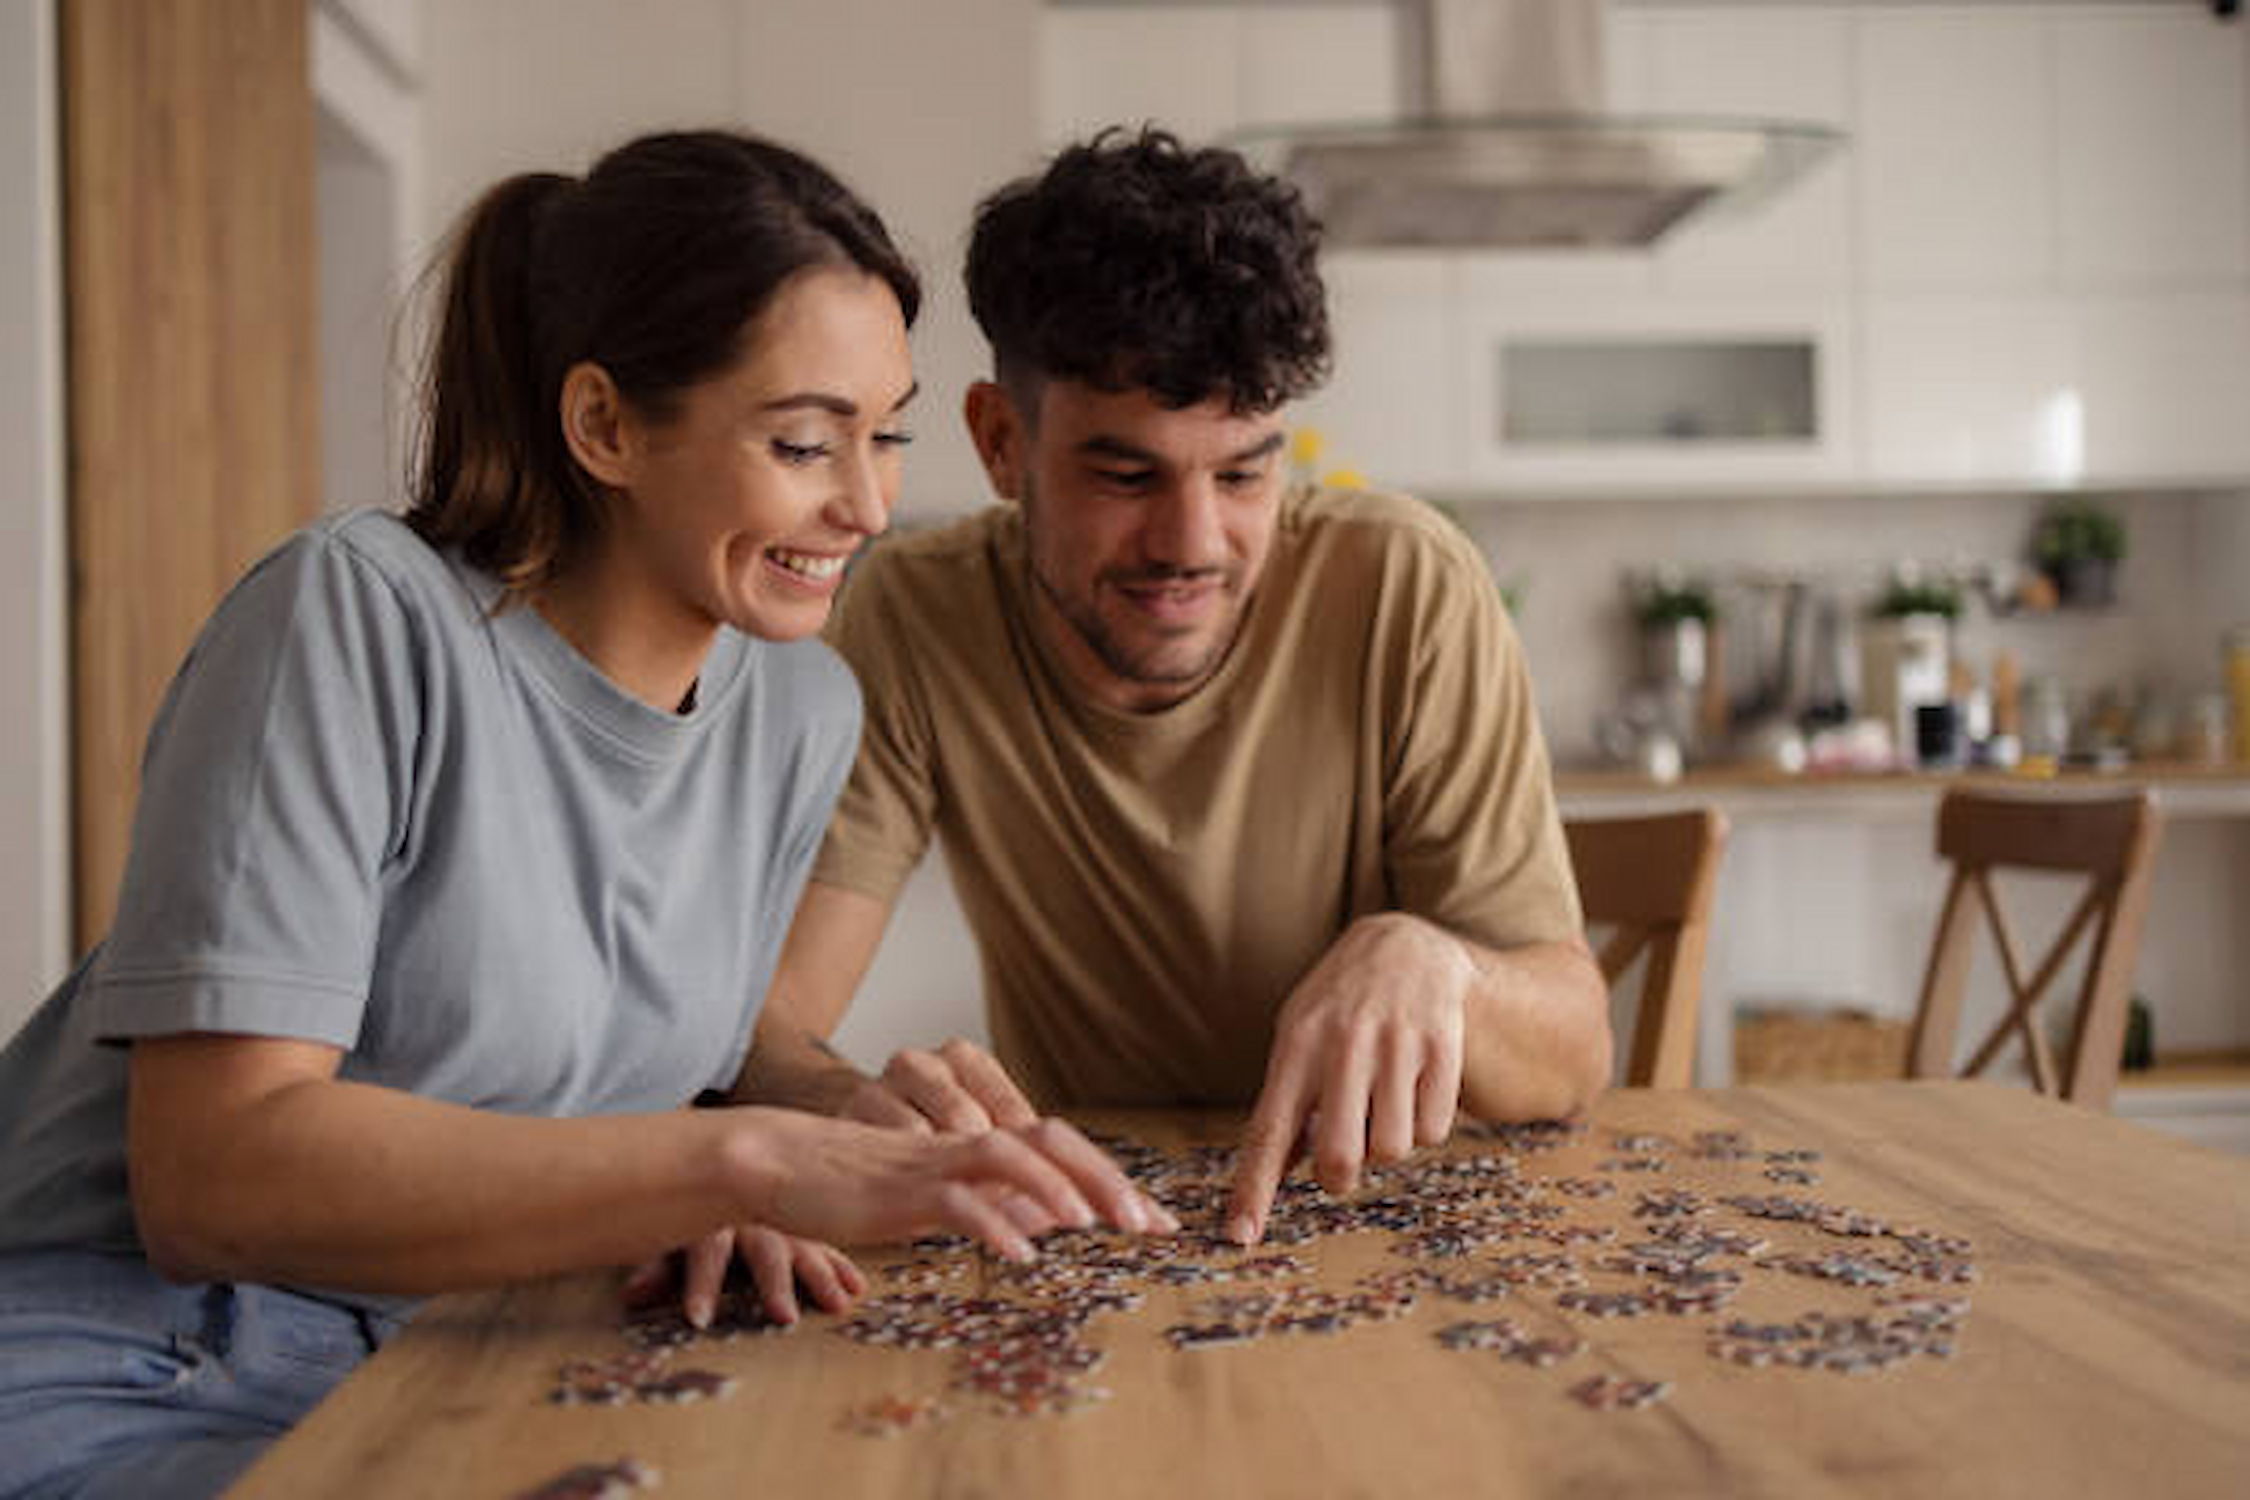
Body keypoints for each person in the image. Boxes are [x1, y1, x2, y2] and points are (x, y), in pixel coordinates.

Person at [0, 129, 1169, 1500]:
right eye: (803, 441)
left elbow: (656, 1043)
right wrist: (737, 1162)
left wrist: (841, 1110)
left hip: (474, 1349)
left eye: (887, 434)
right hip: (136, 1354)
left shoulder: (798, 716)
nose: (864, 503)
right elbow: (213, 1178)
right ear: (605, 423)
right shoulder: (358, 615)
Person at [738, 128, 1612, 1250]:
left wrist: (1443, 966)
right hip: (1096, 1235)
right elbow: (769, 1023)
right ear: (1002, 445)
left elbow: (1577, 1048)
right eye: (1125, 473)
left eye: (1245, 471)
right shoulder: (916, 614)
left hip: (1405, 1228)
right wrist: (843, 1107)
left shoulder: (1404, 583)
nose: (1193, 543)